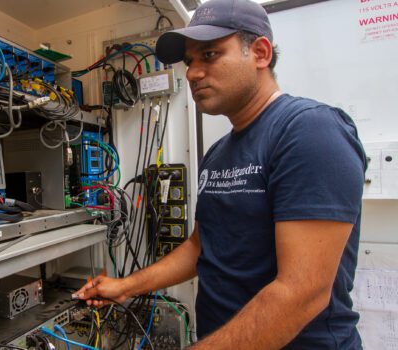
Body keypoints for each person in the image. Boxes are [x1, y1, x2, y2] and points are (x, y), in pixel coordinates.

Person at [75, 0, 366, 348]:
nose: (193, 73)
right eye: (189, 61)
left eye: (210, 55)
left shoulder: (309, 130)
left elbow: (301, 293)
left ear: (260, 53)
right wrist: (125, 286)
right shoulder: (219, 153)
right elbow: (201, 246)